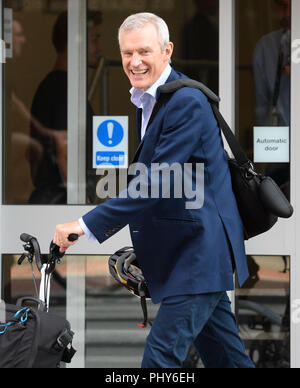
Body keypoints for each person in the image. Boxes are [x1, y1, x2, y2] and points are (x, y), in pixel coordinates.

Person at [53, 12, 254, 368]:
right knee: (228, 361)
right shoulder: (151, 101)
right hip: (192, 257)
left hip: (198, 259)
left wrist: (84, 225)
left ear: (167, 51)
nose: (135, 61)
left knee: (159, 360)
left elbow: (156, 182)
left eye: (144, 51)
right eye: (127, 53)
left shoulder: (185, 102)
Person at [29, 10, 103, 204]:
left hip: (52, 203)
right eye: (95, 40)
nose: (100, 47)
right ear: (76, 42)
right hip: (60, 207)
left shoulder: (54, 86)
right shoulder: (65, 89)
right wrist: (82, 208)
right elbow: (65, 153)